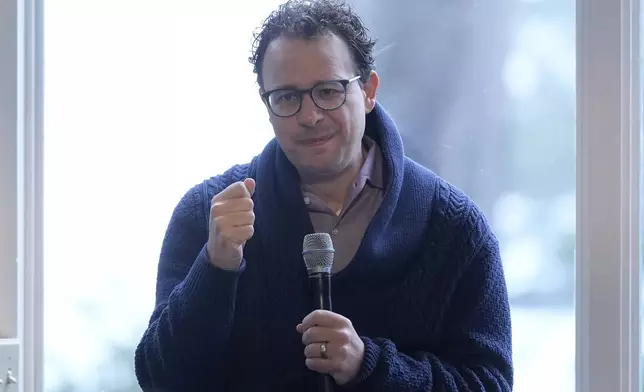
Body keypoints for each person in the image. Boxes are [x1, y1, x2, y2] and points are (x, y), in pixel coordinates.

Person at [134, 0, 513, 390]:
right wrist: (216, 268)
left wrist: (370, 365)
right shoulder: (209, 215)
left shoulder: (453, 227)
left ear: (368, 91)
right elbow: (160, 379)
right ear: (266, 106)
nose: (309, 115)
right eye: (286, 97)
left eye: (328, 91)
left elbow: (491, 383)